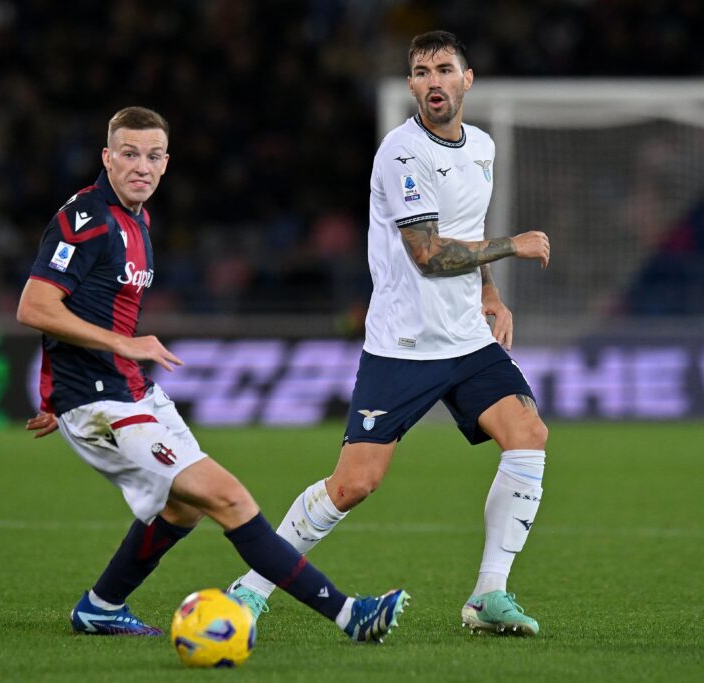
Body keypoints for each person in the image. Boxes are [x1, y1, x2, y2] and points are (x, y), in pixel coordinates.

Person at [17, 106, 408, 642]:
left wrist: (51, 390)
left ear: (166, 163)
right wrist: (94, 367)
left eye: (153, 156)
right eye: (128, 154)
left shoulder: (138, 220)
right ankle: (349, 615)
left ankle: (101, 606)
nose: (141, 167)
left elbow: (82, 307)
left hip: (127, 388)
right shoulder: (87, 219)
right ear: (106, 158)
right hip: (103, 399)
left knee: (183, 508)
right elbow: (35, 306)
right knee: (230, 499)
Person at [229, 31, 551, 636]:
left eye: (445, 69)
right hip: (403, 347)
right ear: (411, 86)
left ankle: (488, 595)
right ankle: (250, 588)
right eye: (423, 72)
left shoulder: (481, 147)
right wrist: (514, 247)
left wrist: (489, 292)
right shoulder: (401, 154)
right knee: (354, 484)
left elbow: (466, 227)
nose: (434, 81)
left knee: (528, 434)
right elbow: (428, 253)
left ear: (467, 79)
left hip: (467, 342)